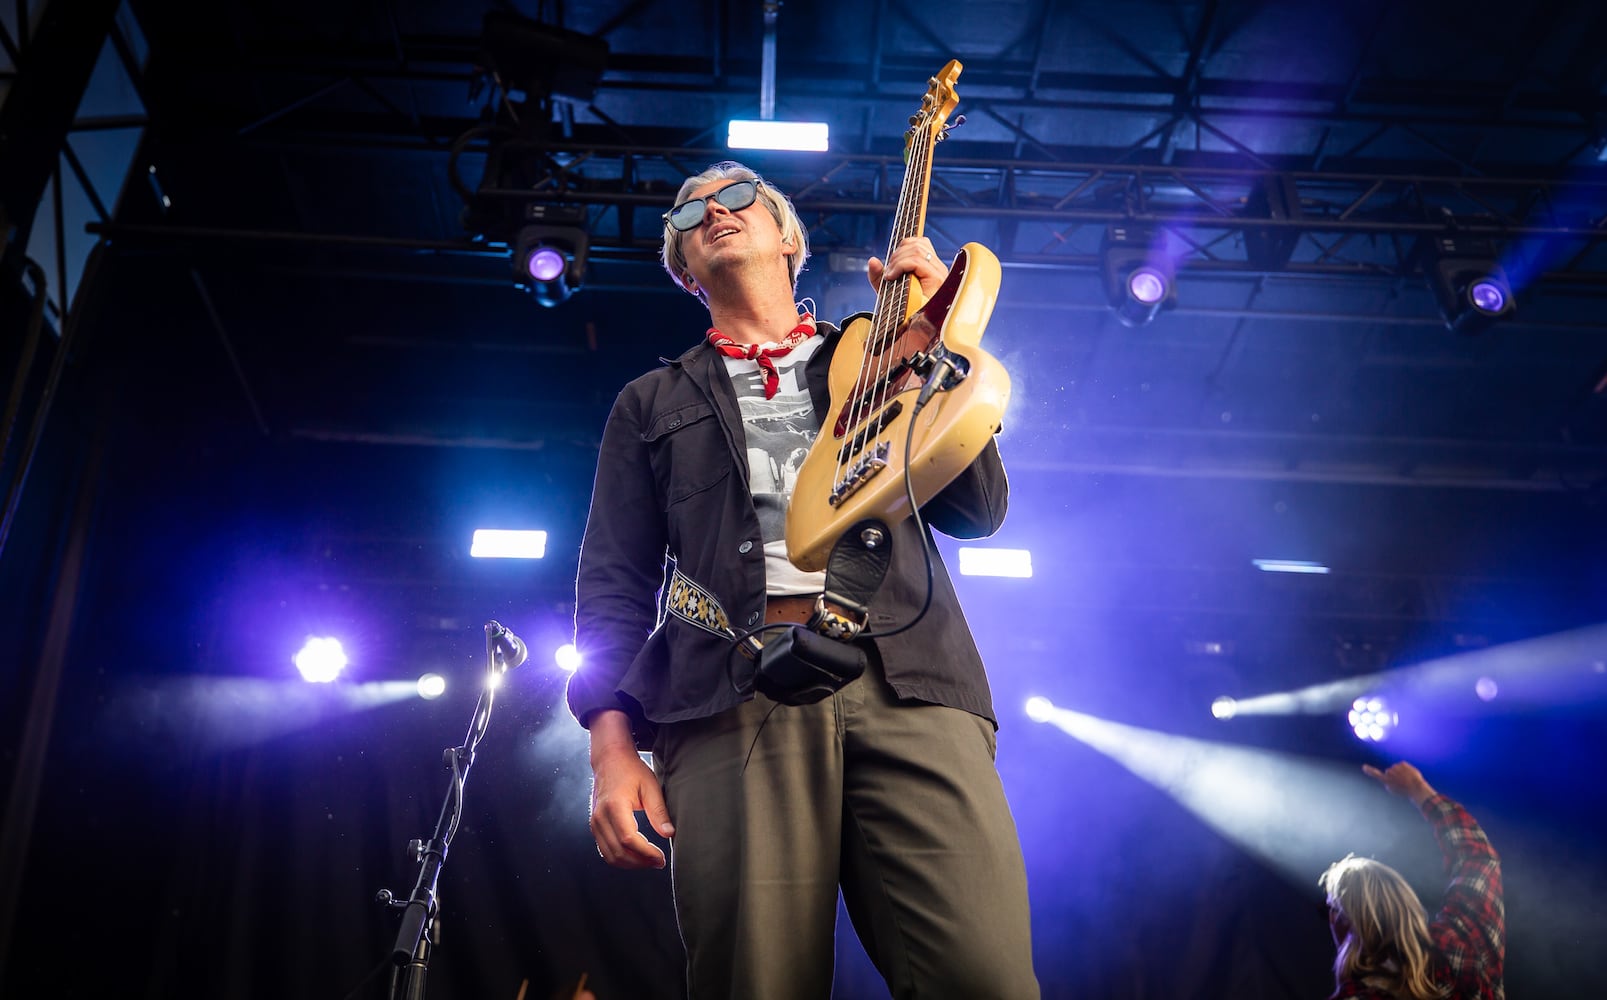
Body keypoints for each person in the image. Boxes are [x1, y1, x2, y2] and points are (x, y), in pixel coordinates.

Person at [565, 160, 1038, 999]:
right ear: (680, 265)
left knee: (984, 976)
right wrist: (609, 746)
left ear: (788, 237)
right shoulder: (649, 402)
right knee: (755, 982)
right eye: (690, 211)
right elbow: (611, 583)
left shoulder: (878, 350)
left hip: (911, 684)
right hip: (729, 697)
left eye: (739, 196)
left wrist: (943, 349)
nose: (715, 211)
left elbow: (978, 509)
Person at [1319, 762, 1504, 1000]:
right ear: (1404, 903)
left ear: (1344, 921)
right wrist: (1418, 789)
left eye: (1331, 909)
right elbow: (1478, 859)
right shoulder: (1461, 946)